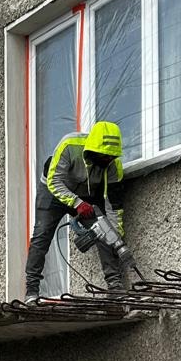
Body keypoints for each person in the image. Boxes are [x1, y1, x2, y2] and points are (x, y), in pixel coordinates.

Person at [25, 120, 128, 302]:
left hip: (86, 194)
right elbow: (54, 181)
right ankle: (32, 290)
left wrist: (116, 235)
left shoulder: (113, 165)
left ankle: (115, 285)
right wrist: (77, 203)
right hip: (53, 190)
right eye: (103, 156)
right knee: (42, 235)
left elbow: (114, 204)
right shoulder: (69, 145)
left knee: (105, 229)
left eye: (110, 157)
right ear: (92, 149)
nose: (107, 160)